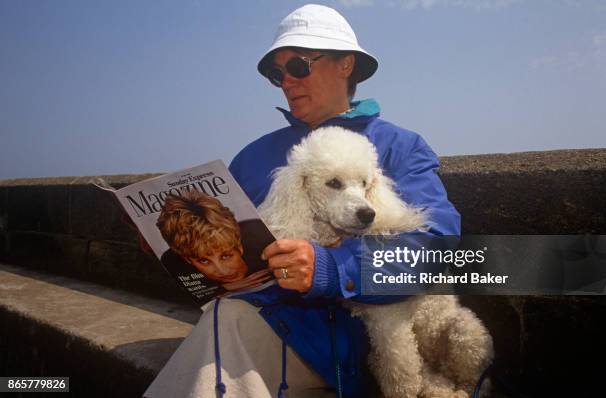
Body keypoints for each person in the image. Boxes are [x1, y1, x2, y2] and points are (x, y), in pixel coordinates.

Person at [144, 4, 460, 398]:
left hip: (362, 339)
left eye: (298, 66)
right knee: (228, 319)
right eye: (277, 74)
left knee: (228, 326)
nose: (286, 83)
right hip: (274, 322)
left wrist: (332, 268)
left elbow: (439, 249)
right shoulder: (252, 157)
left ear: (346, 65)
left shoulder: (402, 147)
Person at [156, 191, 272, 295]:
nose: (222, 271)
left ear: (239, 246)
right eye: (204, 261)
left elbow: (288, 272)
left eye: (226, 256)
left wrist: (285, 273)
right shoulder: (173, 261)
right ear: (188, 260)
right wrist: (223, 288)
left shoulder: (259, 235)